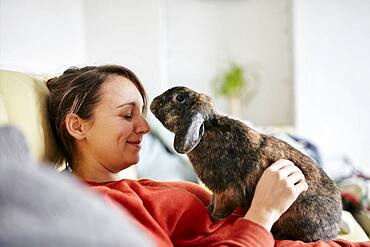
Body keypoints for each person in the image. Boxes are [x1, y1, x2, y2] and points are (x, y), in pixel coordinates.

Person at [46, 65, 368, 247]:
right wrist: (263, 213)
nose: (145, 126)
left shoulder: (144, 187)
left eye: (142, 113)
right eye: (127, 115)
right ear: (77, 126)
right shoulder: (102, 208)